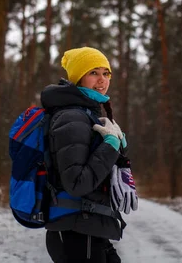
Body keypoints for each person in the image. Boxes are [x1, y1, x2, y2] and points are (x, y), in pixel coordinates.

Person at [41, 46, 136, 263]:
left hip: (89, 228)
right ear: (78, 78)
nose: (102, 80)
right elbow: (77, 183)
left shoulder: (87, 115)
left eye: (106, 73)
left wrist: (117, 146)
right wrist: (110, 145)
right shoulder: (71, 118)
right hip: (76, 232)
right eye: (93, 73)